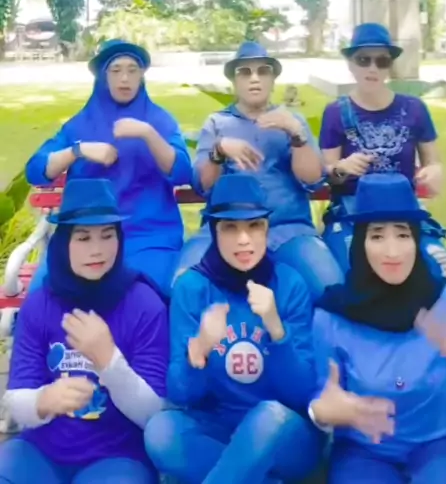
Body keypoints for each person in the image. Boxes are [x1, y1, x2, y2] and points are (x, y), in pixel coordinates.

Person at [145, 172, 327, 484]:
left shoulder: (288, 284)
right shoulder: (193, 287)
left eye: (254, 226)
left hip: (285, 434)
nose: (244, 239)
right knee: (161, 432)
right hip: (219, 427)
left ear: (267, 228)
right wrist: (199, 351)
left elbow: (302, 393)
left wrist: (276, 329)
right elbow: (182, 394)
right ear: (214, 231)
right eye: (230, 227)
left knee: (269, 417)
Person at [309, 172, 446, 484]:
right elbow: (322, 402)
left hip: (445, 444)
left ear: (416, 239)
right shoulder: (332, 316)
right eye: (377, 236)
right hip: (364, 453)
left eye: (402, 235)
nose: (392, 252)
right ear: (360, 243)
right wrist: (323, 412)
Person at [0, 178, 169, 484]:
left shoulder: (145, 305)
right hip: (41, 452)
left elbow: (155, 416)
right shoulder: (40, 304)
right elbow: (16, 398)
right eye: (83, 237)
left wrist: (109, 362)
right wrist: (44, 400)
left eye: (107, 235)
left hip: (116, 457)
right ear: (63, 242)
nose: (97, 250)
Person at [175, 41, 343, 303]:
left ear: (273, 80)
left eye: (263, 71)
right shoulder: (217, 123)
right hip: (226, 228)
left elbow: (312, 180)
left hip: (288, 228)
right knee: (182, 285)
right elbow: (203, 186)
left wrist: (296, 135)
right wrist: (219, 150)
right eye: (244, 72)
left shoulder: (292, 121)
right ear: (234, 81)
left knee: (330, 287)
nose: (254, 78)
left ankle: (301, 330)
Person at [25, 39, 192, 297]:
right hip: (83, 235)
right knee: (42, 297)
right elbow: (36, 171)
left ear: (142, 76)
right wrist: (78, 150)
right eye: (116, 70)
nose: (125, 78)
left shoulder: (160, 121)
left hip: (147, 236)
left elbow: (182, 173)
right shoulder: (79, 125)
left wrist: (149, 134)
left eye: (132, 70)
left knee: (147, 295)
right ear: (103, 77)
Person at [319, 22, 446, 286]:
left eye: (382, 61)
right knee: (347, 278)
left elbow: (433, 162)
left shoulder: (414, 108)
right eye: (363, 60)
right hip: (353, 212)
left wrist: (433, 172)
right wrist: (342, 167)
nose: (372, 68)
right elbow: (328, 173)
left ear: (390, 65)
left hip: (403, 213)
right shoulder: (336, 112)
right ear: (351, 64)